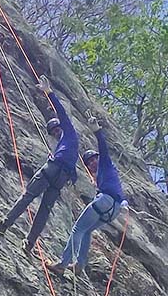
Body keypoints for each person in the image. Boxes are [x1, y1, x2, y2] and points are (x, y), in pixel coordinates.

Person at [0, 81, 79, 258]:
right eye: (53, 132)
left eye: (56, 129)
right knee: (44, 211)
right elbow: (73, 169)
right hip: (61, 177)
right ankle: (29, 244)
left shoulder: (69, 132)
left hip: (52, 170)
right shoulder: (69, 144)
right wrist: (72, 176)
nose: (55, 133)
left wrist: (49, 92)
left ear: (60, 127)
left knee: (28, 196)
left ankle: (4, 224)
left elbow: (61, 113)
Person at [48, 117, 128, 276]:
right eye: (89, 162)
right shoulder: (102, 175)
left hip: (106, 202)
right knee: (86, 231)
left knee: (77, 229)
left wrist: (97, 131)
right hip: (114, 210)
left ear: (98, 158)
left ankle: (62, 264)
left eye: (93, 160)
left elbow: (103, 148)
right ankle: (80, 265)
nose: (91, 163)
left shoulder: (105, 164)